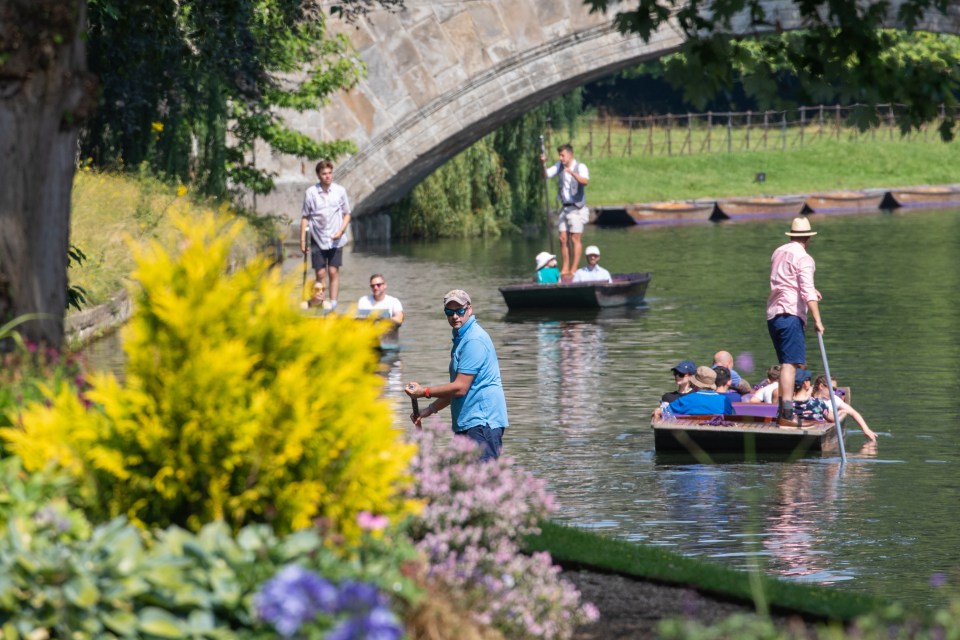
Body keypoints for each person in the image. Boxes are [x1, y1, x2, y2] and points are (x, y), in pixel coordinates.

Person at [404, 290, 508, 461]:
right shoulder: (462, 338)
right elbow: (456, 390)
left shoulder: (474, 340)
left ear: (469, 309)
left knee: (478, 484)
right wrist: (429, 410)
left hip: (482, 425)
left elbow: (460, 388)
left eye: (460, 310)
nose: (455, 316)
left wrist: (424, 392)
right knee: (461, 482)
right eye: (449, 312)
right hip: (468, 424)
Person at [767, 216, 823, 428]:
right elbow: (806, 291)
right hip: (790, 314)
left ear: (792, 235)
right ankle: (787, 416)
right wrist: (817, 320)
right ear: (808, 238)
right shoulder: (805, 258)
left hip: (773, 314)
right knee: (790, 366)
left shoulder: (778, 252)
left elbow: (786, 281)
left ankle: (782, 412)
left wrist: (809, 290)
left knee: (785, 365)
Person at [300, 160, 351, 309]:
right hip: (318, 238)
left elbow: (347, 214)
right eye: (324, 174)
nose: (328, 176)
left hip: (336, 239)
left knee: (333, 271)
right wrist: (302, 241)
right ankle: (320, 302)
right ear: (318, 175)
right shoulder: (310, 193)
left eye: (330, 173)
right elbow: (305, 217)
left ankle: (333, 304)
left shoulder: (340, 191)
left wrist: (340, 231)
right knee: (321, 273)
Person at [540, 143, 590, 277]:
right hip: (565, 208)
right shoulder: (559, 166)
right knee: (562, 238)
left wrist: (572, 173)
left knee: (575, 238)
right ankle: (565, 269)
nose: (561, 158)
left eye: (563, 155)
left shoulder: (581, 167)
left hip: (577, 208)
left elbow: (585, 181)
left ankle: (573, 270)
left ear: (570, 154)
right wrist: (543, 164)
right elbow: (545, 175)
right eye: (560, 155)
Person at [813, 375, 878, 441]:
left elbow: (853, 412)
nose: (833, 392)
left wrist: (866, 429)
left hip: (826, 428)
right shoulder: (808, 399)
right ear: (821, 386)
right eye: (832, 388)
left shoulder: (834, 399)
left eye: (835, 389)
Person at [664, 366, 734, 416]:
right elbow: (733, 415)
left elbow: (665, 411)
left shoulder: (686, 399)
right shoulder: (725, 400)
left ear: (695, 383)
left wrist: (658, 410)